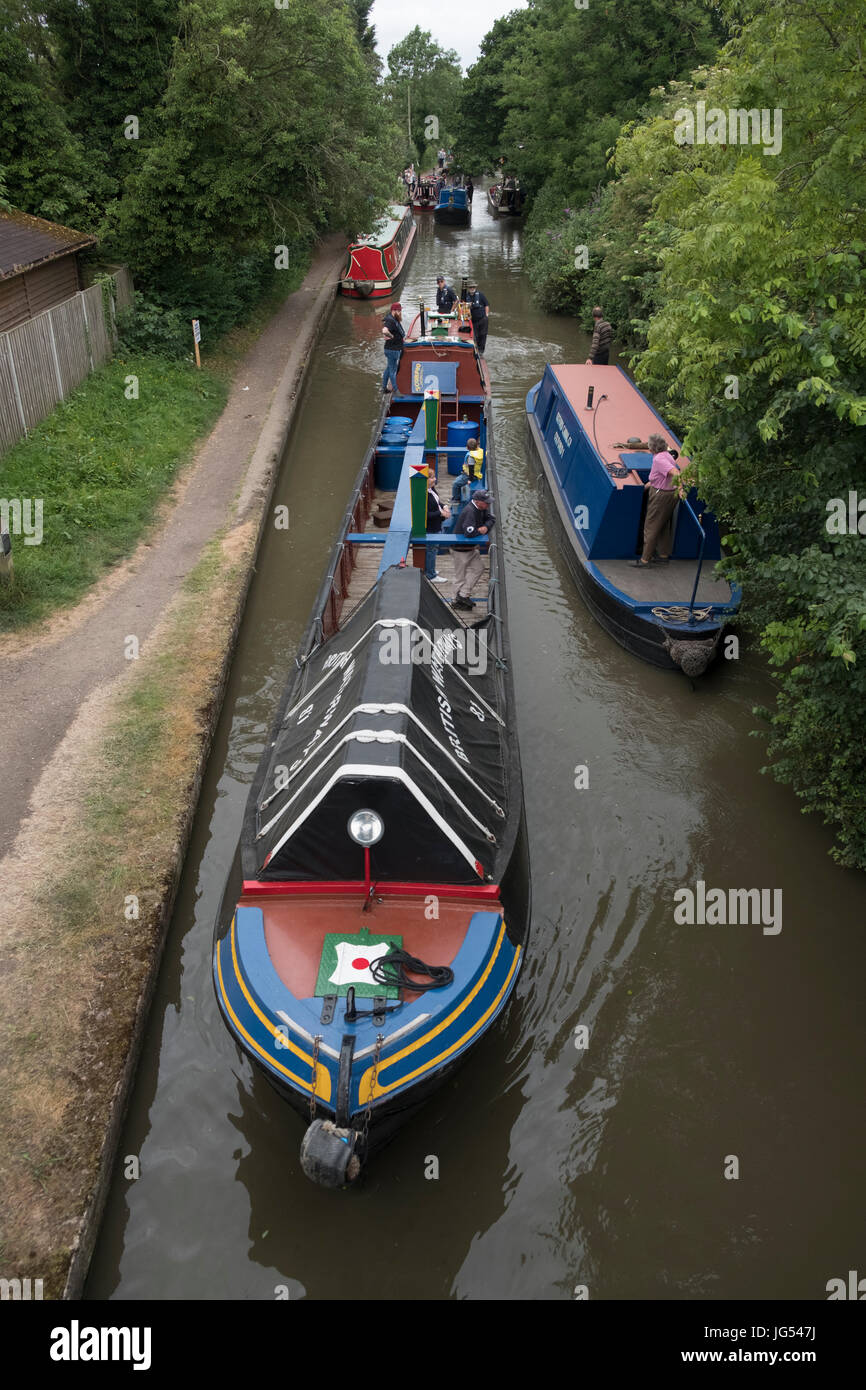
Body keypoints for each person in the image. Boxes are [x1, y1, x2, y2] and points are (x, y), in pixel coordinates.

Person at [632, 433, 682, 567]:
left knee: (651, 527)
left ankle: (644, 560)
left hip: (661, 496)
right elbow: (658, 478)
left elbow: (675, 473)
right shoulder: (667, 454)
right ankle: (663, 555)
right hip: (669, 493)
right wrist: (645, 487)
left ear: (651, 448)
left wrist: (682, 488)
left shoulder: (659, 460)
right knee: (663, 525)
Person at [452, 489, 494, 611]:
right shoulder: (470, 511)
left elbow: (492, 519)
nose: (488, 504)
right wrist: (480, 530)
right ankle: (455, 601)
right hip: (460, 550)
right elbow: (469, 533)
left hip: (471, 548)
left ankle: (463, 594)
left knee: (479, 568)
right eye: (486, 502)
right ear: (477, 501)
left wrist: (485, 527)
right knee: (460, 577)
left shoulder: (481, 509)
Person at [424, 478, 449, 581]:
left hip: (437, 524)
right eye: (431, 477)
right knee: (431, 551)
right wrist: (440, 513)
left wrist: (445, 506)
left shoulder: (432, 489)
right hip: (431, 528)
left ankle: (430, 569)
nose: (435, 478)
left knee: (433, 550)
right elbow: (425, 515)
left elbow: (437, 502)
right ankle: (431, 575)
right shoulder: (423, 494)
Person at [381, 303, 404, 394]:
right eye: (399, 311)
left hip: (392, 348)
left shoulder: (393, 319)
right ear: (393, 311)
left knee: (388, 368)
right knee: (393, 370)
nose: (400, 312)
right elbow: (384, 330)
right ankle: (396, 391)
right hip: (392, 350)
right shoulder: (390, 320)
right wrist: (391, 336)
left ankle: (384, 388)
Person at [462, 281, 490, 354]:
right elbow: (463, 306)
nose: (472, 288)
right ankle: (475, 350)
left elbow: (486, 305)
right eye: (470, 287)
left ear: (475, 287)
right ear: (468, 288)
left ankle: (481, 352)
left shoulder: (480, 295)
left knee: (483, 335)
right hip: (473, 320)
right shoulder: (466, 296)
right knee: (475, 336)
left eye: (473, 287)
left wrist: (486, 315)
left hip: (482, 319)